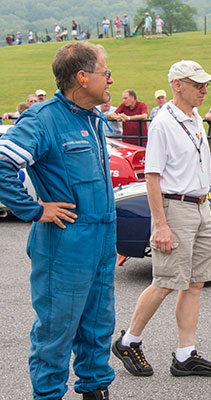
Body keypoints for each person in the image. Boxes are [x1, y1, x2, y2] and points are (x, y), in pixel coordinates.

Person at [0, 41, 116, 400]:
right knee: (56, 331)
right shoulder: (43, 118)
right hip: (65, 244)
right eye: (105, 73)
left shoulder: (93, 119)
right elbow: (3, 166)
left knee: (98, 326)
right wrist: (36, 210)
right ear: (82, 78)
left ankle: (95, 390)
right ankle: (48, 395)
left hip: (100, 240)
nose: (111, 80)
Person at [112, 59, 211, 379]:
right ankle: (129, 340)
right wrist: (161, 224)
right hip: (175, 208)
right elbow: (152, 177)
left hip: (201, 206)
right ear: (177, 85)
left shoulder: (195, 118)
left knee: (195, 282)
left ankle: (185, 354)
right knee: (165, 281)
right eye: (198, 84)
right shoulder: (164, 122)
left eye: (205, 84)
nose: (205, 90)